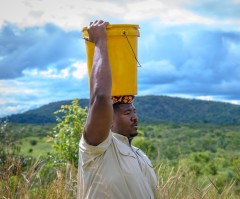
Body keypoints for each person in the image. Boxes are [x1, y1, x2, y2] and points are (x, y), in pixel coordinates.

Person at [78, 20, 157, 199]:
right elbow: (100, 98)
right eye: (127, 113)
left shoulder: (139, 155)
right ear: (108, 120)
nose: (135, 117)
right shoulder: (97, 149)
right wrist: (100, 42)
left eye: (134, 111)